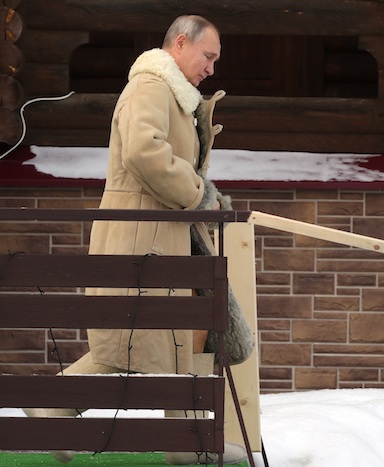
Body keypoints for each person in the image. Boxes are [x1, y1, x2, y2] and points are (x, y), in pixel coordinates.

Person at [24, 15, 247, 465]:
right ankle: (54, 404)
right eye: (208, 57)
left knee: (178, 335)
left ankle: (180, 444)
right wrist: (199, 194)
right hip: (141, 238)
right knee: (130, 342)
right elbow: (144, 153)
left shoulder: (173, 94)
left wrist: (202, 197)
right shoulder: (150, 86)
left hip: (162, 236)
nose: (211, 69)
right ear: (180, 43)